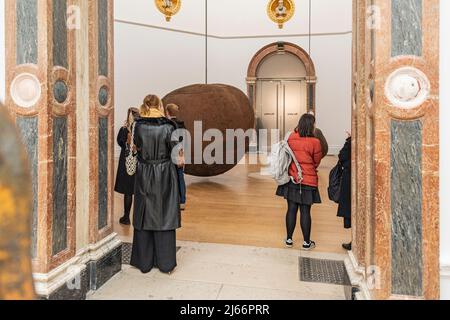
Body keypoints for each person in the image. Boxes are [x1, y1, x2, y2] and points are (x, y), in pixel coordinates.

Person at [130, 94, 182, 274]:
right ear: (159, 105)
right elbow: (177, 157)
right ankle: (166, 263)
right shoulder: (169, 127)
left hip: (143, 172)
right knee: (164, 214)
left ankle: (144, 263)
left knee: (143, 214)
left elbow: (135, 147)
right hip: (164, 174)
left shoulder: (137, 125)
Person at [276, 114, 323, 250]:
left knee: (291, 209)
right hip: (308, 181)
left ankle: (289, 240)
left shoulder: (291, 137)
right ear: (312, 125)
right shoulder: (315, 142)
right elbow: (317, 161)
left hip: (292, 179)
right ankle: (306, 243)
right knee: (305, 211)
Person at [114, 107, 140, 225]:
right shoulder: (142, 129)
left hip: (126, 162)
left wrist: (127, 144)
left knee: (128, 192)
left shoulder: (124, 129)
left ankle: (126, 216)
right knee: (139, 191)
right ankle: (138, 218)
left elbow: (119, 142)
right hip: (139, 162)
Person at [166, 103, 187, 210]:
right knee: (180, 178)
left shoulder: (167, 125)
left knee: (169, 179)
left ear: (167, 112)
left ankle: (171, 201)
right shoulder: (182, 125)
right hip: (179, 154)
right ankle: (182, 201)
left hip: (169, 156)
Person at [337, 132, 352, 251]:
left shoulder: (351, 143)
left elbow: (342, 156)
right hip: (352, 179)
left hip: (350, 180)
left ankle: (356, 242)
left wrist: (348, 140)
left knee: (352, 210)